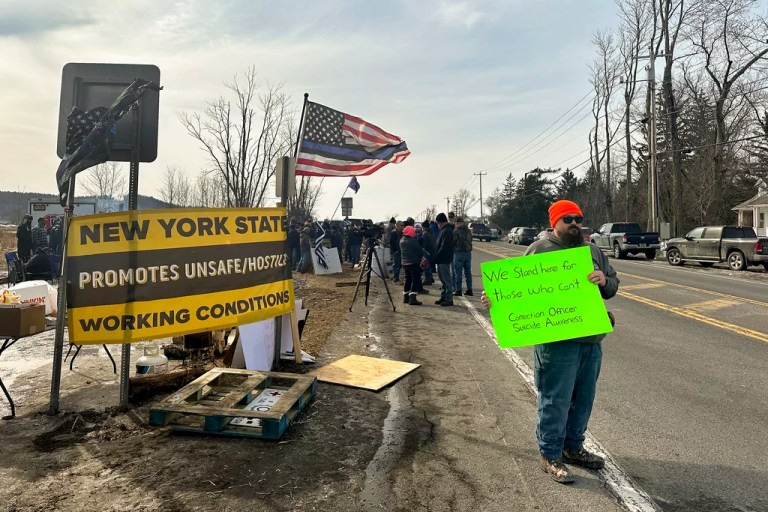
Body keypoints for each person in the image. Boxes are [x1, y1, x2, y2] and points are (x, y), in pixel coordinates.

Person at [481, 200, 619, 484]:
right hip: (557, 344)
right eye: (568, 218)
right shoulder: (539, 250)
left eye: (579, 218)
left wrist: (604, 280)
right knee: (555, 399)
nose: (575, 224)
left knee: (583, 399)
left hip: (591, 340)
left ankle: (573, 447)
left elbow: (614, 286)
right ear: (555, 222)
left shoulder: (591, 250)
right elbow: (517, 292)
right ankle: (550, 454)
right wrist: (496, 301)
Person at [399, 225, 427, 305]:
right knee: (415, 279)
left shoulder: (402, 240)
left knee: (407, 279)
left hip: (405, 263)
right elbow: (419, 251)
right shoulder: (412, 241)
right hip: (413, 263)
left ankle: (406, 297)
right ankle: (413, 297)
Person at [433, 213, 454, 306]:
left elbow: (444, 246)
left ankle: (449, 299)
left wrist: (437, 256)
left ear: (440, 222)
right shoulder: (444, 230)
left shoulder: (447, 231)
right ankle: (444, 296)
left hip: (444, 258)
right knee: (442, 279)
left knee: (446, 279)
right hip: (441, 259)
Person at [452, 217, 473, 296]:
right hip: (468, 253)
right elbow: (470, 240)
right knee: (468, 272)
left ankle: (458, 290)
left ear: (457, 222)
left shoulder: (456, 231)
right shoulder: (468, 231)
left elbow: (453, 241)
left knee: (458, 272)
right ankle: (469, 289)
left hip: (458, 253)